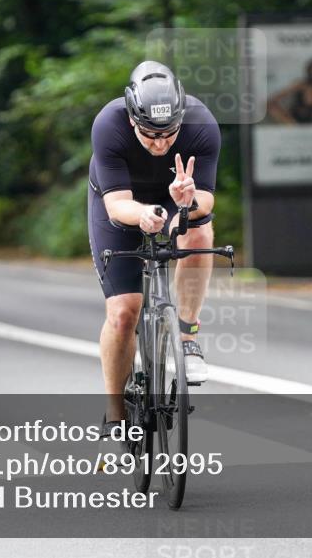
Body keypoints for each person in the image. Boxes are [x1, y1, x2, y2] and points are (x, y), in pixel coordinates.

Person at [88, 61, 221, 431]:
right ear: (132, 120)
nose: (161, 143)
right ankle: (115, 415)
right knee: (124, 312)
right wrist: (145, 215)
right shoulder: (109, 124)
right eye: (149, 134)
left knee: (199, 233)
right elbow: (116, 207)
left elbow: (205, 202)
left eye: (169, 133)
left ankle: (187, 336)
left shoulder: (201, 123)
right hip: (122, 201)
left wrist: (185, 207)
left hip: (177, 194)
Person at [267, 57, 312, 124]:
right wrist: (283, 112)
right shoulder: (301, 84)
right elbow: (280, 95)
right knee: (271, 107)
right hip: (293, 119)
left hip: (310, 120)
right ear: (309, 72)